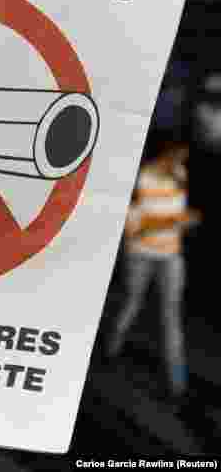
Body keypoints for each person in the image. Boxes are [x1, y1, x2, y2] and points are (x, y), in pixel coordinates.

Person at [106, 139, 199, 401]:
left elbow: (172, 215)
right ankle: (110, 350)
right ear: (164, 154)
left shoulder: (180, 174)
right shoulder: (139, 178)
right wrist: (173, 221)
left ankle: (177, 385)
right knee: (131, 304)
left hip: (170, 256)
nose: (181, 162)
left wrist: (182, 223)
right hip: (140, 256)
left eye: (183, 157)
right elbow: (133, 227)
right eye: (177, 155)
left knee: (171, 318)